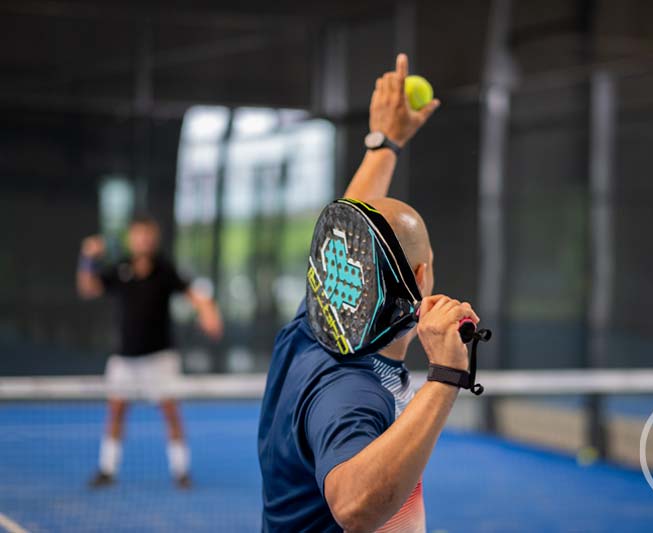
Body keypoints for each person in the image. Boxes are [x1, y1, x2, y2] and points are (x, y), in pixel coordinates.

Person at [258, 53, 479, 532]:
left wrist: (385, 143)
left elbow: (348, 235)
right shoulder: (352, 390)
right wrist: (444, 377)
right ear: (422, 276)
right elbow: (354, 505)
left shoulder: (311, 329)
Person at [77, 214, 223, 489]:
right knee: (116, 411)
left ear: (153, 238)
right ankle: (107, 469)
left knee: (171, 412)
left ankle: (181, 470)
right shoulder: (119, 268)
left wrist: (208, 312)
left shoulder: (165, 270)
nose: (143, 239)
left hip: (160, 358)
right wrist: (88, 258)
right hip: (124, 358)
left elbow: (195, 294)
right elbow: (88, 288)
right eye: (138, 234)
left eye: (148, 234)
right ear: (131, 238)